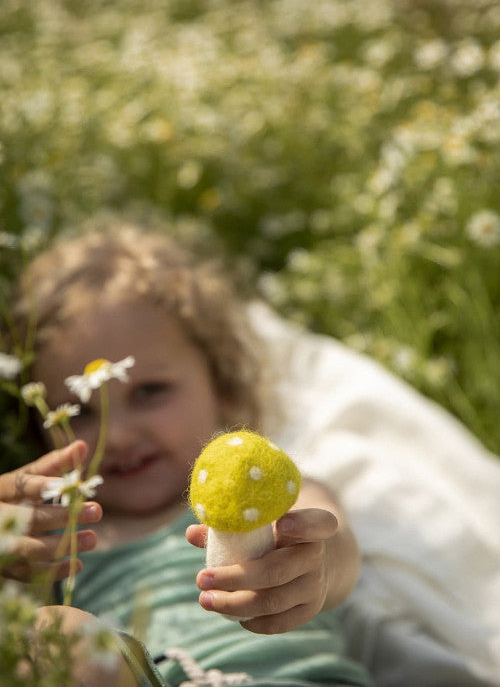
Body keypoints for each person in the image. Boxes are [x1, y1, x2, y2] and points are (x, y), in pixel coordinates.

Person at [1, 220, 373, 687]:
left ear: (219, 382)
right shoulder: (58, 533)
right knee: (51, 634)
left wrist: (318, 569)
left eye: (151, 391)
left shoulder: (267, 487)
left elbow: (336, 546)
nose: (117, 436)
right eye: (77, 413)